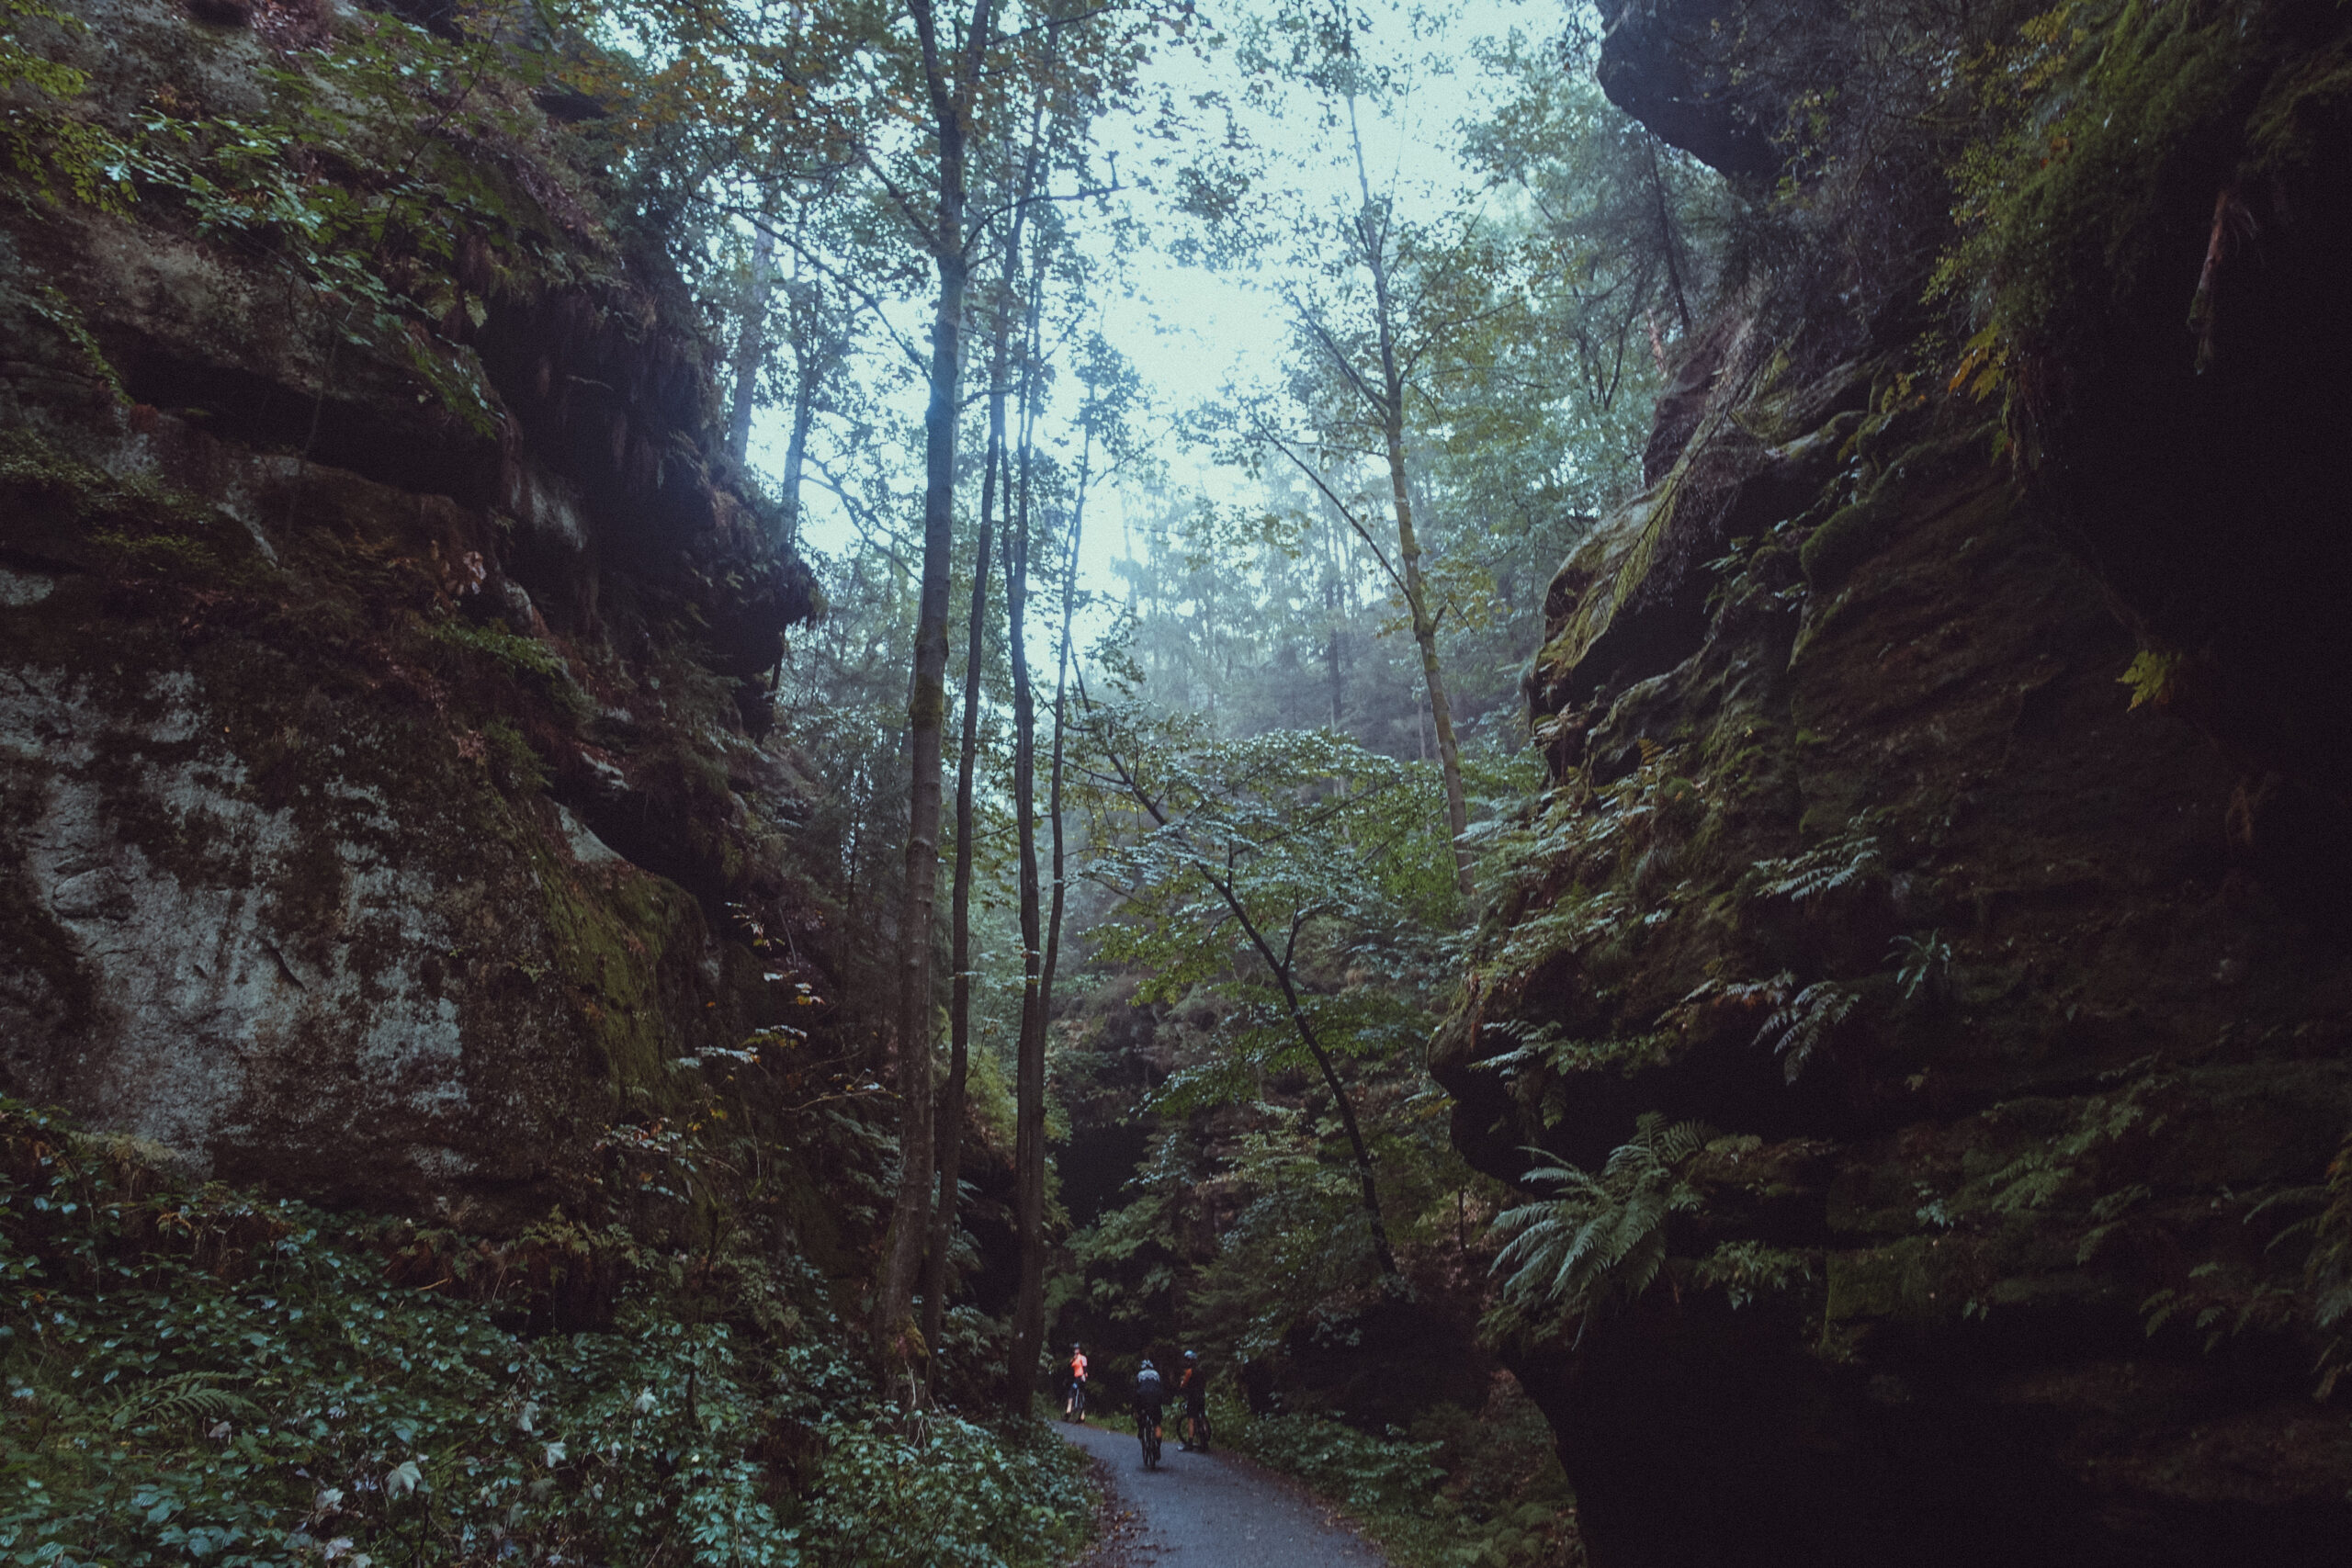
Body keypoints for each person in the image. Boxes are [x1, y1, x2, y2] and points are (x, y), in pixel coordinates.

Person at [1134, 1357, 1165, 1459]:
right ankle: (1158, 1447)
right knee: (1157, 1424)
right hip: (1156, 1397)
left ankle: (1140, 1430)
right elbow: (1161, 1388)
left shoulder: (1139, 1375)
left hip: (1142, 1396)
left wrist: (1136, 1408)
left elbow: (1135, 1391)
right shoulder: (1156, 1374)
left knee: (1138, 1413)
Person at [1178, 1349, 1209, 1452]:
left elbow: (1184, 1384)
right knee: (1202, 1416)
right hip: (1201, 1396)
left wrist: (1181, 1383)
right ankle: (1206, 1439)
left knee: (1191, 1419)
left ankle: (1190, 1443)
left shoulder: (1189, 1372)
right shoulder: (1201, 1371)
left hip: (1193, 1398)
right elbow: (1204, 1383)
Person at [1066, 1344, 1090, 1423]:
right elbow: (1069, 1367)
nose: (1076, 1350)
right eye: (1075, 1349)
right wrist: (1073, 1359)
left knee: (1071, 1391)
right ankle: (1082, 1417)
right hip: (1077, 1378)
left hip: (1081, 1377)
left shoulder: (1082, 1357)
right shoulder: (1073, 1359)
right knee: (1080, 1395)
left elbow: (1085, 1368)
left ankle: (1068, 1410)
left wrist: (1084, 1376)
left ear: (1080, 1350)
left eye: (1077, 1349)